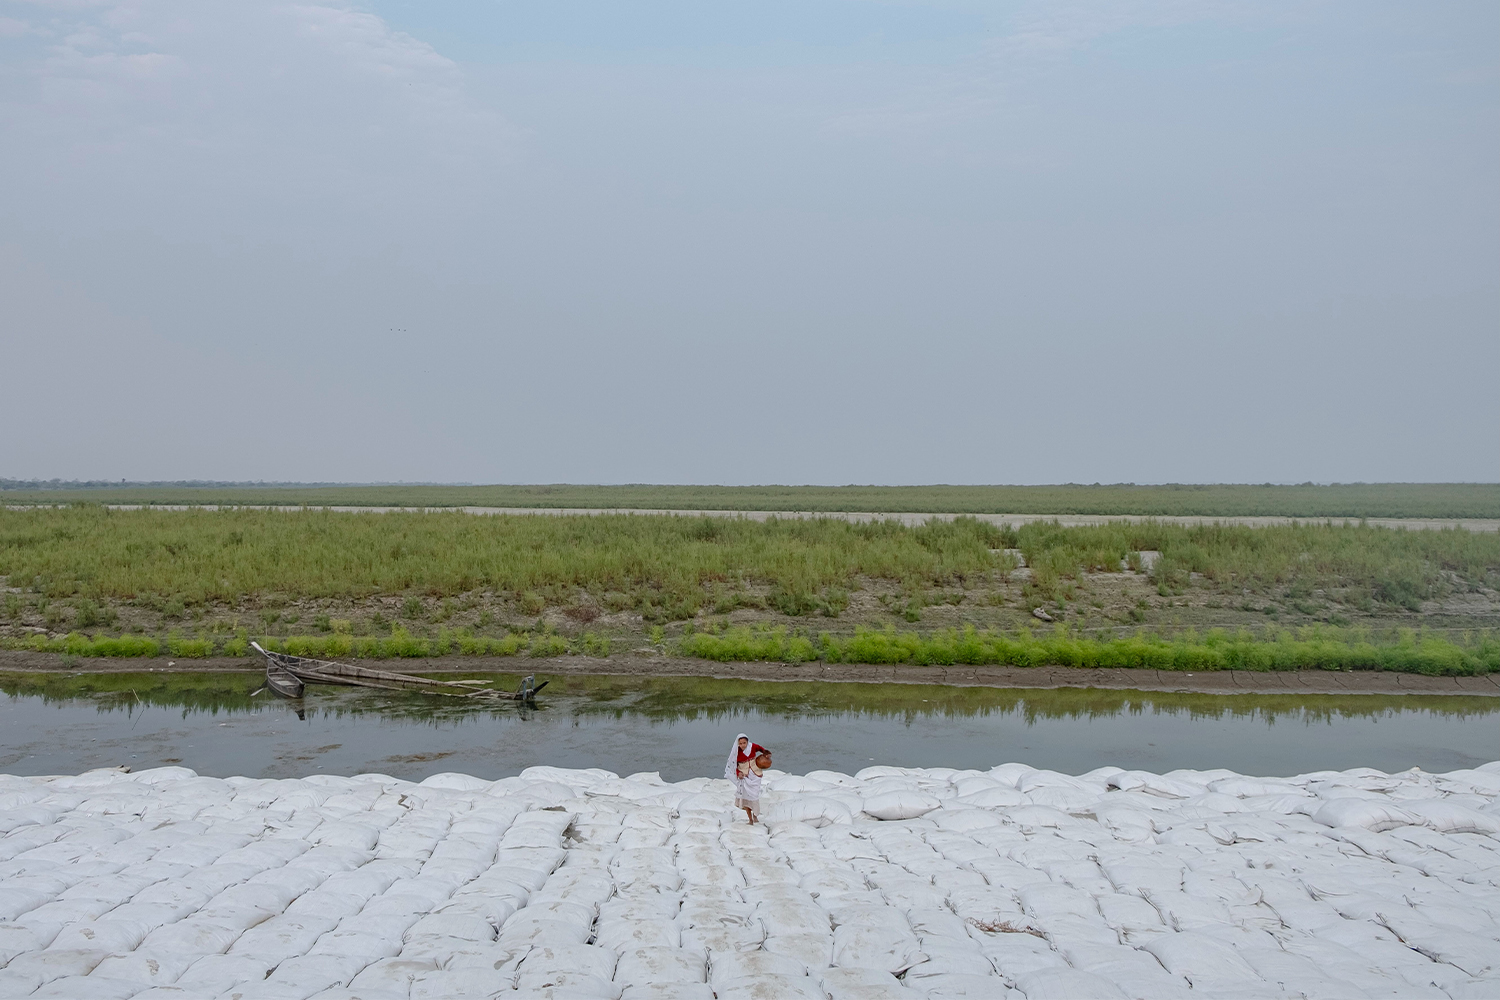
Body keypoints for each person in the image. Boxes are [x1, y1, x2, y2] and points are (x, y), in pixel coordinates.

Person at [736, 750, 771, 824]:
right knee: (745, 799)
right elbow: (734, 765)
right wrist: (738, 773)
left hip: (754, 777)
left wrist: (766, 754)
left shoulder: (752, 747)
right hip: (744, 778)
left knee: (754, 798)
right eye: (741, 743)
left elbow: (761, 749)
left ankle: (755, 815)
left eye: (744, 743)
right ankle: (750, 819)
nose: (743, 745)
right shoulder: (737, 752)